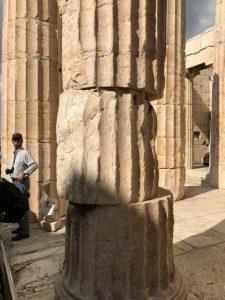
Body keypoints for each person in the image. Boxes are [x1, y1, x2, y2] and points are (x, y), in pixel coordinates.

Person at [5, 133, 38, 241]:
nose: (16, 141)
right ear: (12, 141)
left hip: (21, 183)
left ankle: (24, 231)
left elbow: (34, 164)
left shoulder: (24, 153)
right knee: (17, 206)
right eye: (14, 139)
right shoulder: (15, 153)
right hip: (14, 182)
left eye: (18, 139)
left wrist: (24, 174)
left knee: (22, 206)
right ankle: (21, 227)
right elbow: (17, 167)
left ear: (21, 141)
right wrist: (10, 171)